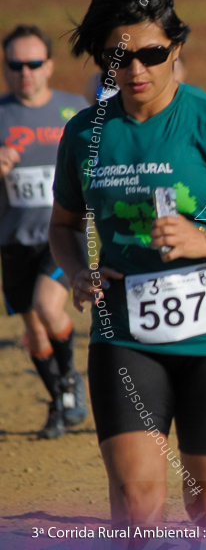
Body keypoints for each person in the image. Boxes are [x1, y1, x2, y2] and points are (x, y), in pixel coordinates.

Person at [51, 0, 206, 530]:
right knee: (137, 510)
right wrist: (75, 272)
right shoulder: (85, 134)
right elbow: (62, 226)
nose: (135, 69)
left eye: (152, 55)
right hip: (125, 334)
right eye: (118, 57)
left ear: (176, 48)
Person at [0, 24, 88, 438]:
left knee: (49, 308)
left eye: (34, 63)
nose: (25, 73)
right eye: (15, 65)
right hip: (14, 241)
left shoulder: (73, 111)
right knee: (33, 329)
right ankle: (58, 400)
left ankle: (70, 376)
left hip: (61, 235)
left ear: (49, 66)